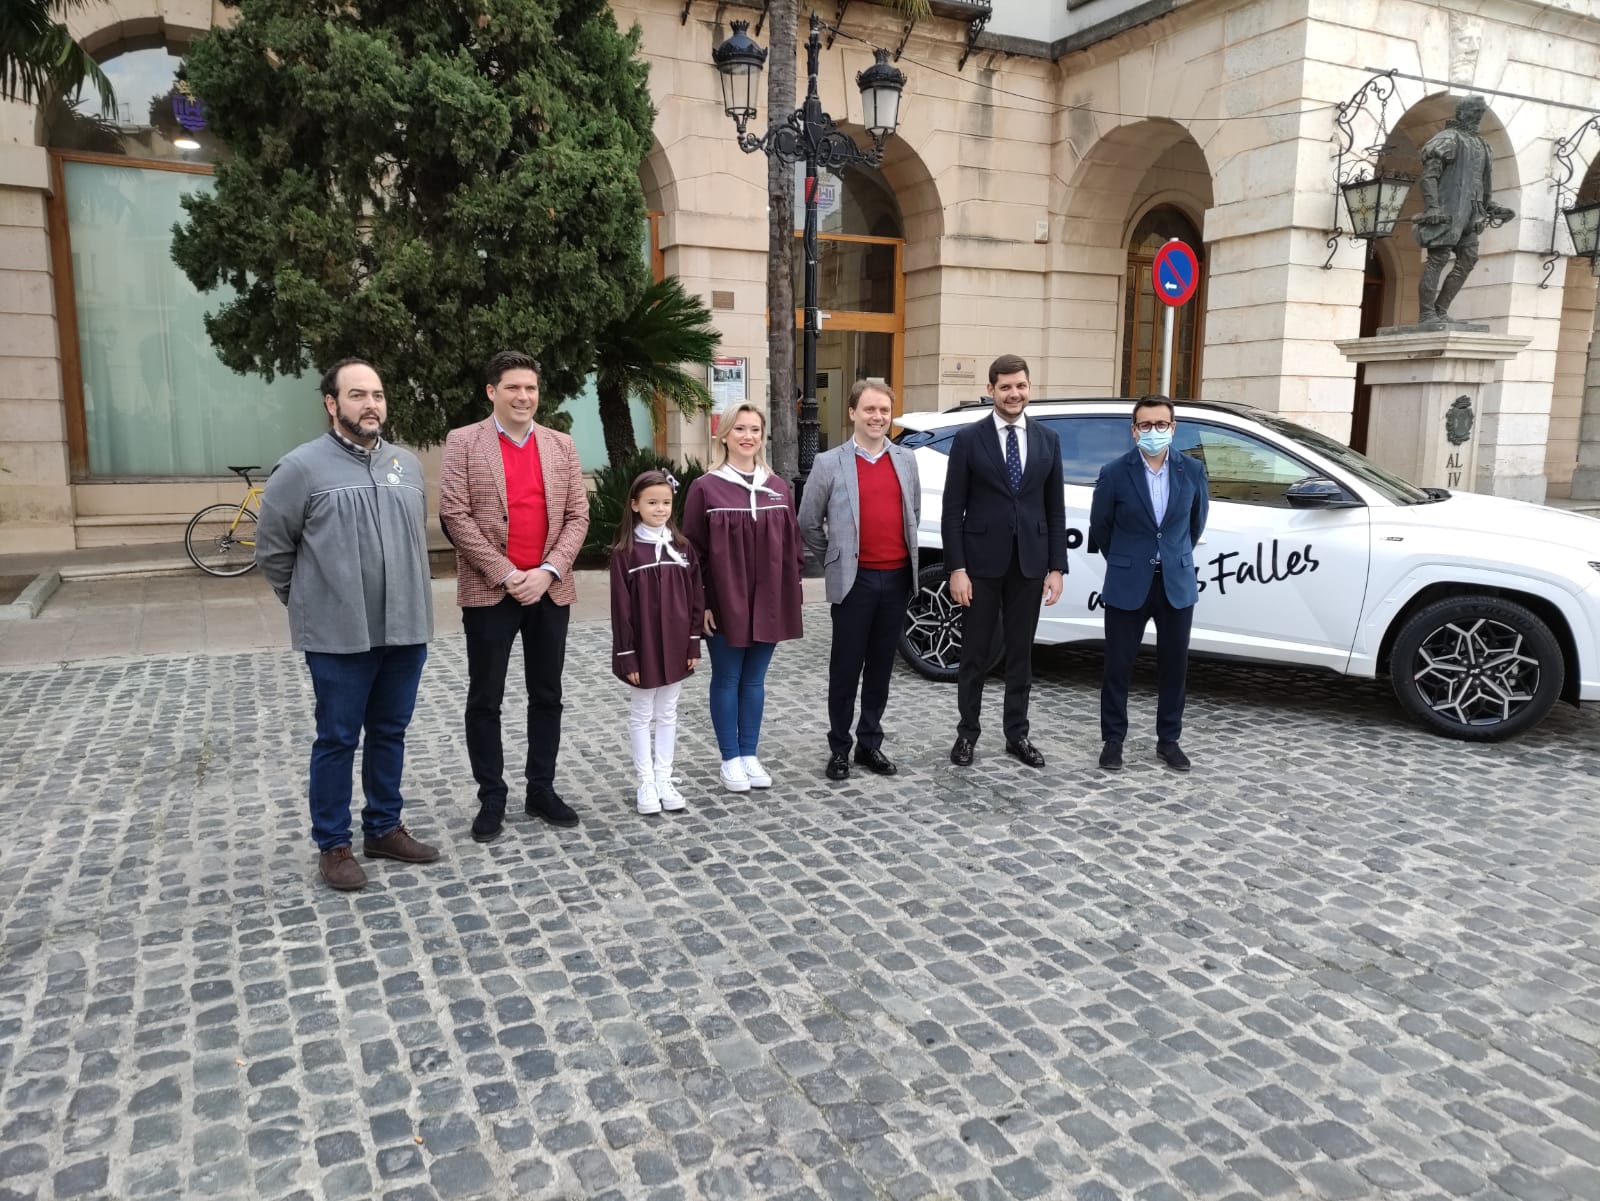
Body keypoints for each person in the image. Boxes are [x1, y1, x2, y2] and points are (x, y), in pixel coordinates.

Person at [255, 358, 440, 891]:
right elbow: (273, 549)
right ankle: (333, 844)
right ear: (332, 404)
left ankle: (383, 826)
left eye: (378, 395)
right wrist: (309, 601)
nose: (371, 405)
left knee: (390, 730)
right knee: (337, 738)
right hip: (339, 636)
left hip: (405, 628)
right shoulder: (300, 468)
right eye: (357, 395)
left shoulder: (405, 465)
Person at [439, 350, 589, 842]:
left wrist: (547, 571)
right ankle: (492, 796)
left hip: (549, 589)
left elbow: (577, 517)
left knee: (547, 695)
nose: (524, 397)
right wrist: (507, 574)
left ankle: (540, 789)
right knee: (486, 697)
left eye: (530, 388)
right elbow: (455, 517)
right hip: (490, 591)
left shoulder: (561, 445)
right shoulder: (463, 443)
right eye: (513, 388)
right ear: (492, 392)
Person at [942, 354, 1067, 768]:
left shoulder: (1048, 439)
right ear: (991, 389)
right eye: (1006, 386)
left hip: (1030, 565)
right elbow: (952, 509)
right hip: (979, 565)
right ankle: (967, 735)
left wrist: (1056, 567)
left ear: (1029, 388)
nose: (1014, 393)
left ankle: (1017, 735)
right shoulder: (968, 439)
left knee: (1020, 655)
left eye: (1021, 386)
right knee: (975, 654)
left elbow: (1055, 510)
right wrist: (956, 568)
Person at [797, 378, 921, 781]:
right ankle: (839, 748)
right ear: (852, 412)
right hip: (855, 582)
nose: (877, 417)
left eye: (884, 410)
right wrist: (835, 559)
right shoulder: (829, 463)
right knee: (846, 668)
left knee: (882, 667)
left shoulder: (905, 460)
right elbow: (808, 523)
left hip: (897, 578)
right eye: (869, 409)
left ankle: (870, 743)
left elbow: (912, 513)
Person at [683, 403, 804, 792]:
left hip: (769, 600)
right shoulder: (705, 487)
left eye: (755, 429)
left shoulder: (778, 488)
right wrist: (701, 603)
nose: (748, 436)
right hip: (724, 601)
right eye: (740, 429)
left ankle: (750, 753)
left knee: (755, 681)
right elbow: (692, 553)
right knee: (727, 676)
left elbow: (793, 548)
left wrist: (789, 593)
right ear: (725, 435)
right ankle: (729, 758)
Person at [1088, 395, 1210, 772]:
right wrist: (1128, 560)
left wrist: (1172, 556)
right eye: (1145, 425)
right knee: (1118, 665)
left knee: (1175, 666)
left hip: (1175, 581)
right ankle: (1113, 740)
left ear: (1173, 429)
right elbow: (1101, 528)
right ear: (1134, 429)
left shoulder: (1191, 470)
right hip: (1128, 581)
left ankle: (1169, 740)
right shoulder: (1114, 472)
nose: (1153, 431)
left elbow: (1195, 523)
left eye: (1161, 425)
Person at [610, 470, 704, 814]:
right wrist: (627, 655)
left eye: (666, 502)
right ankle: (645, 781)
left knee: (668, 712)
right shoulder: (626, 553)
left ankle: (664, 777)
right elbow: (621, 609)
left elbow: (696, 597)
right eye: (652, 502)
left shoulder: (683, 548)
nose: (660, 509)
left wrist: (693, 643)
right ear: (635, 505)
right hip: (644, 644)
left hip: (678, 643)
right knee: (642, 713)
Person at [1415, 94, 1514, 324]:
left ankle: (1440, 310)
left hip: (1471, 216)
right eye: (1475, 113)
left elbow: (1479, 185)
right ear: (1461, 113)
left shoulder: (1483, 145)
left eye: (1481, 113)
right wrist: (1432, 207)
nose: (1478, 117)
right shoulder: (1447, 138)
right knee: (1437, 260)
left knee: (1468, 259)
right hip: (1448, 213)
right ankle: (1426, 314)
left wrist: (1492, 207)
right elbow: (1429, 177)